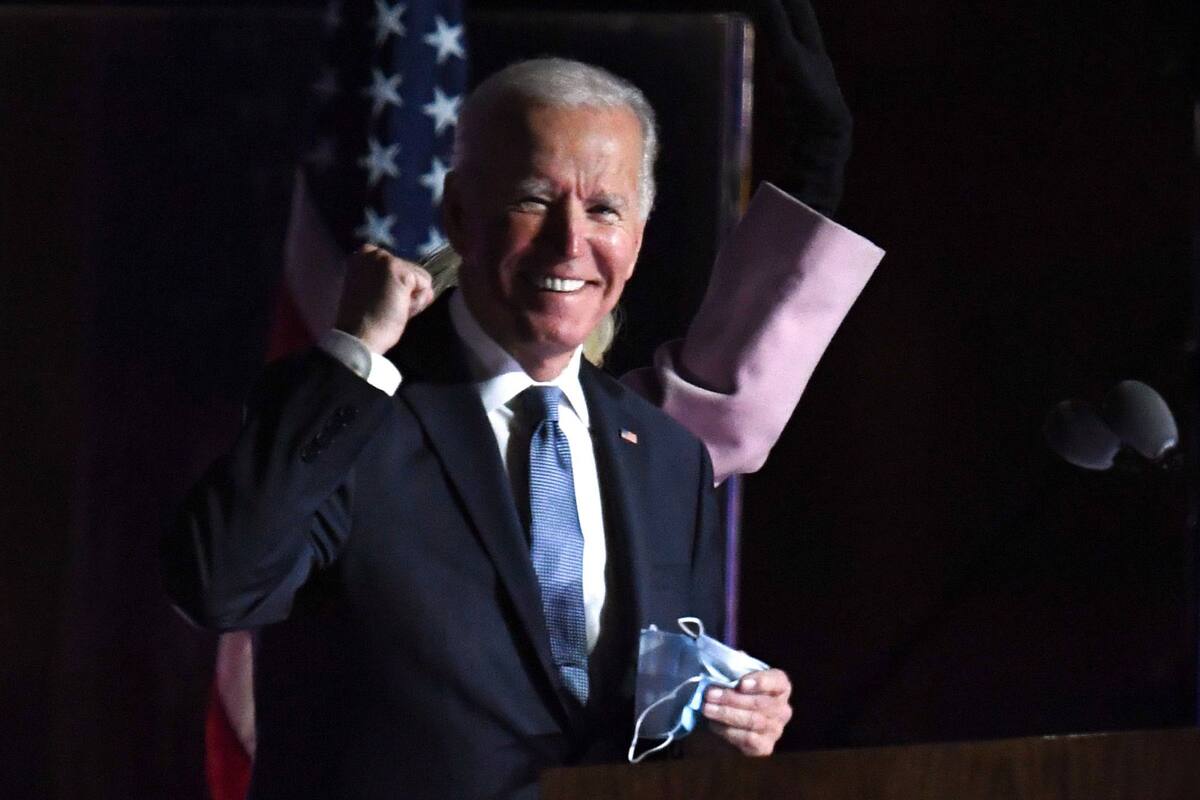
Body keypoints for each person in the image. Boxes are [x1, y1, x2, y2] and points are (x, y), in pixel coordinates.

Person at [165, 59, 797, 799]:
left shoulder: (666, 458)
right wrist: (357, 354)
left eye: (603, 210)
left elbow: (645, 733)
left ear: (639, 235)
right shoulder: (354, 411)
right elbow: (218, 587)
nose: (570, 243)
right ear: (461, 213)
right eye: (535, 199)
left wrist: (719, 732)